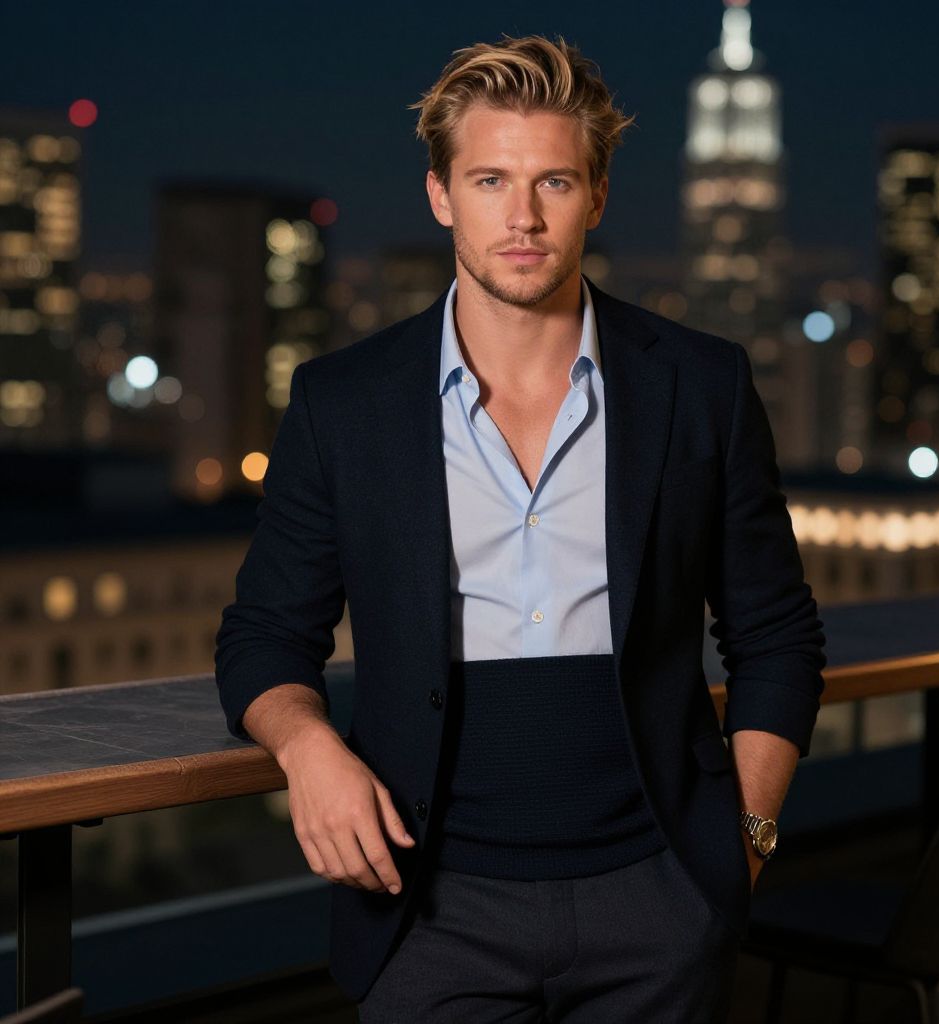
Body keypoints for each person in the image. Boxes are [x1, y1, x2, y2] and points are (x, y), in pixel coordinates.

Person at [214, 33, 827, 1023]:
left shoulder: (699, 385)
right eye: (491, 178)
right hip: (429, 913)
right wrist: (307, 753)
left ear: (597, 197)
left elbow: (776, 635)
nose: (524, 216)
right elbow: (262, 638)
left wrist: (742, 839)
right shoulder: (345, 402)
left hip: (660, 905)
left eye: (555, 182)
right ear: (440, 195)